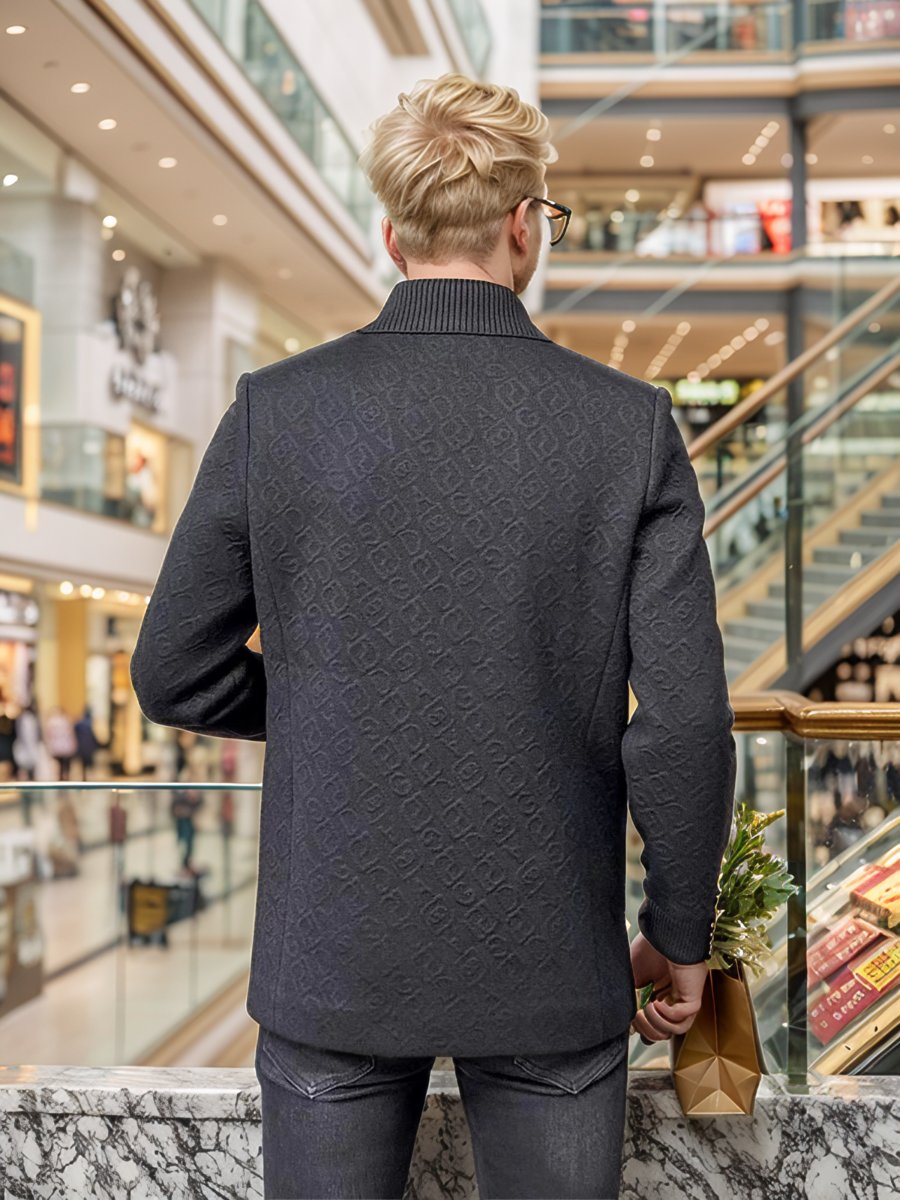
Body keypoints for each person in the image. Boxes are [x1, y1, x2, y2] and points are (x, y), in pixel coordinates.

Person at [129, 72, 736, 1200]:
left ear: (391, 233)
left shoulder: (279, 409)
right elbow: (688, 722)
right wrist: (681, 934)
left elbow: (171, 672)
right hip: (552, 964)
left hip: (333, 959)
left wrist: (327, 696)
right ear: (522, 226)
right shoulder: (625, 427)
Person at [43, 705, 77, 781]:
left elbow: (48, 736)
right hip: (66, 747)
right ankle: (66, 777)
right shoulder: (66, 721)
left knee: (59, 765)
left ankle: (61, 778)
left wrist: (49, 746)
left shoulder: (51, 722)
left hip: (57, 747)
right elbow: (71, 734)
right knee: (65, 764)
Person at [74, 705, 100, 780]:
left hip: (82, 746)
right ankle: (86, 777)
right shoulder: (89, 724)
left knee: (83, 763)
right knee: (88, 763)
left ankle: (84, 776)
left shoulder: (79, 724)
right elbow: (93, 735)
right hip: (88, 746)